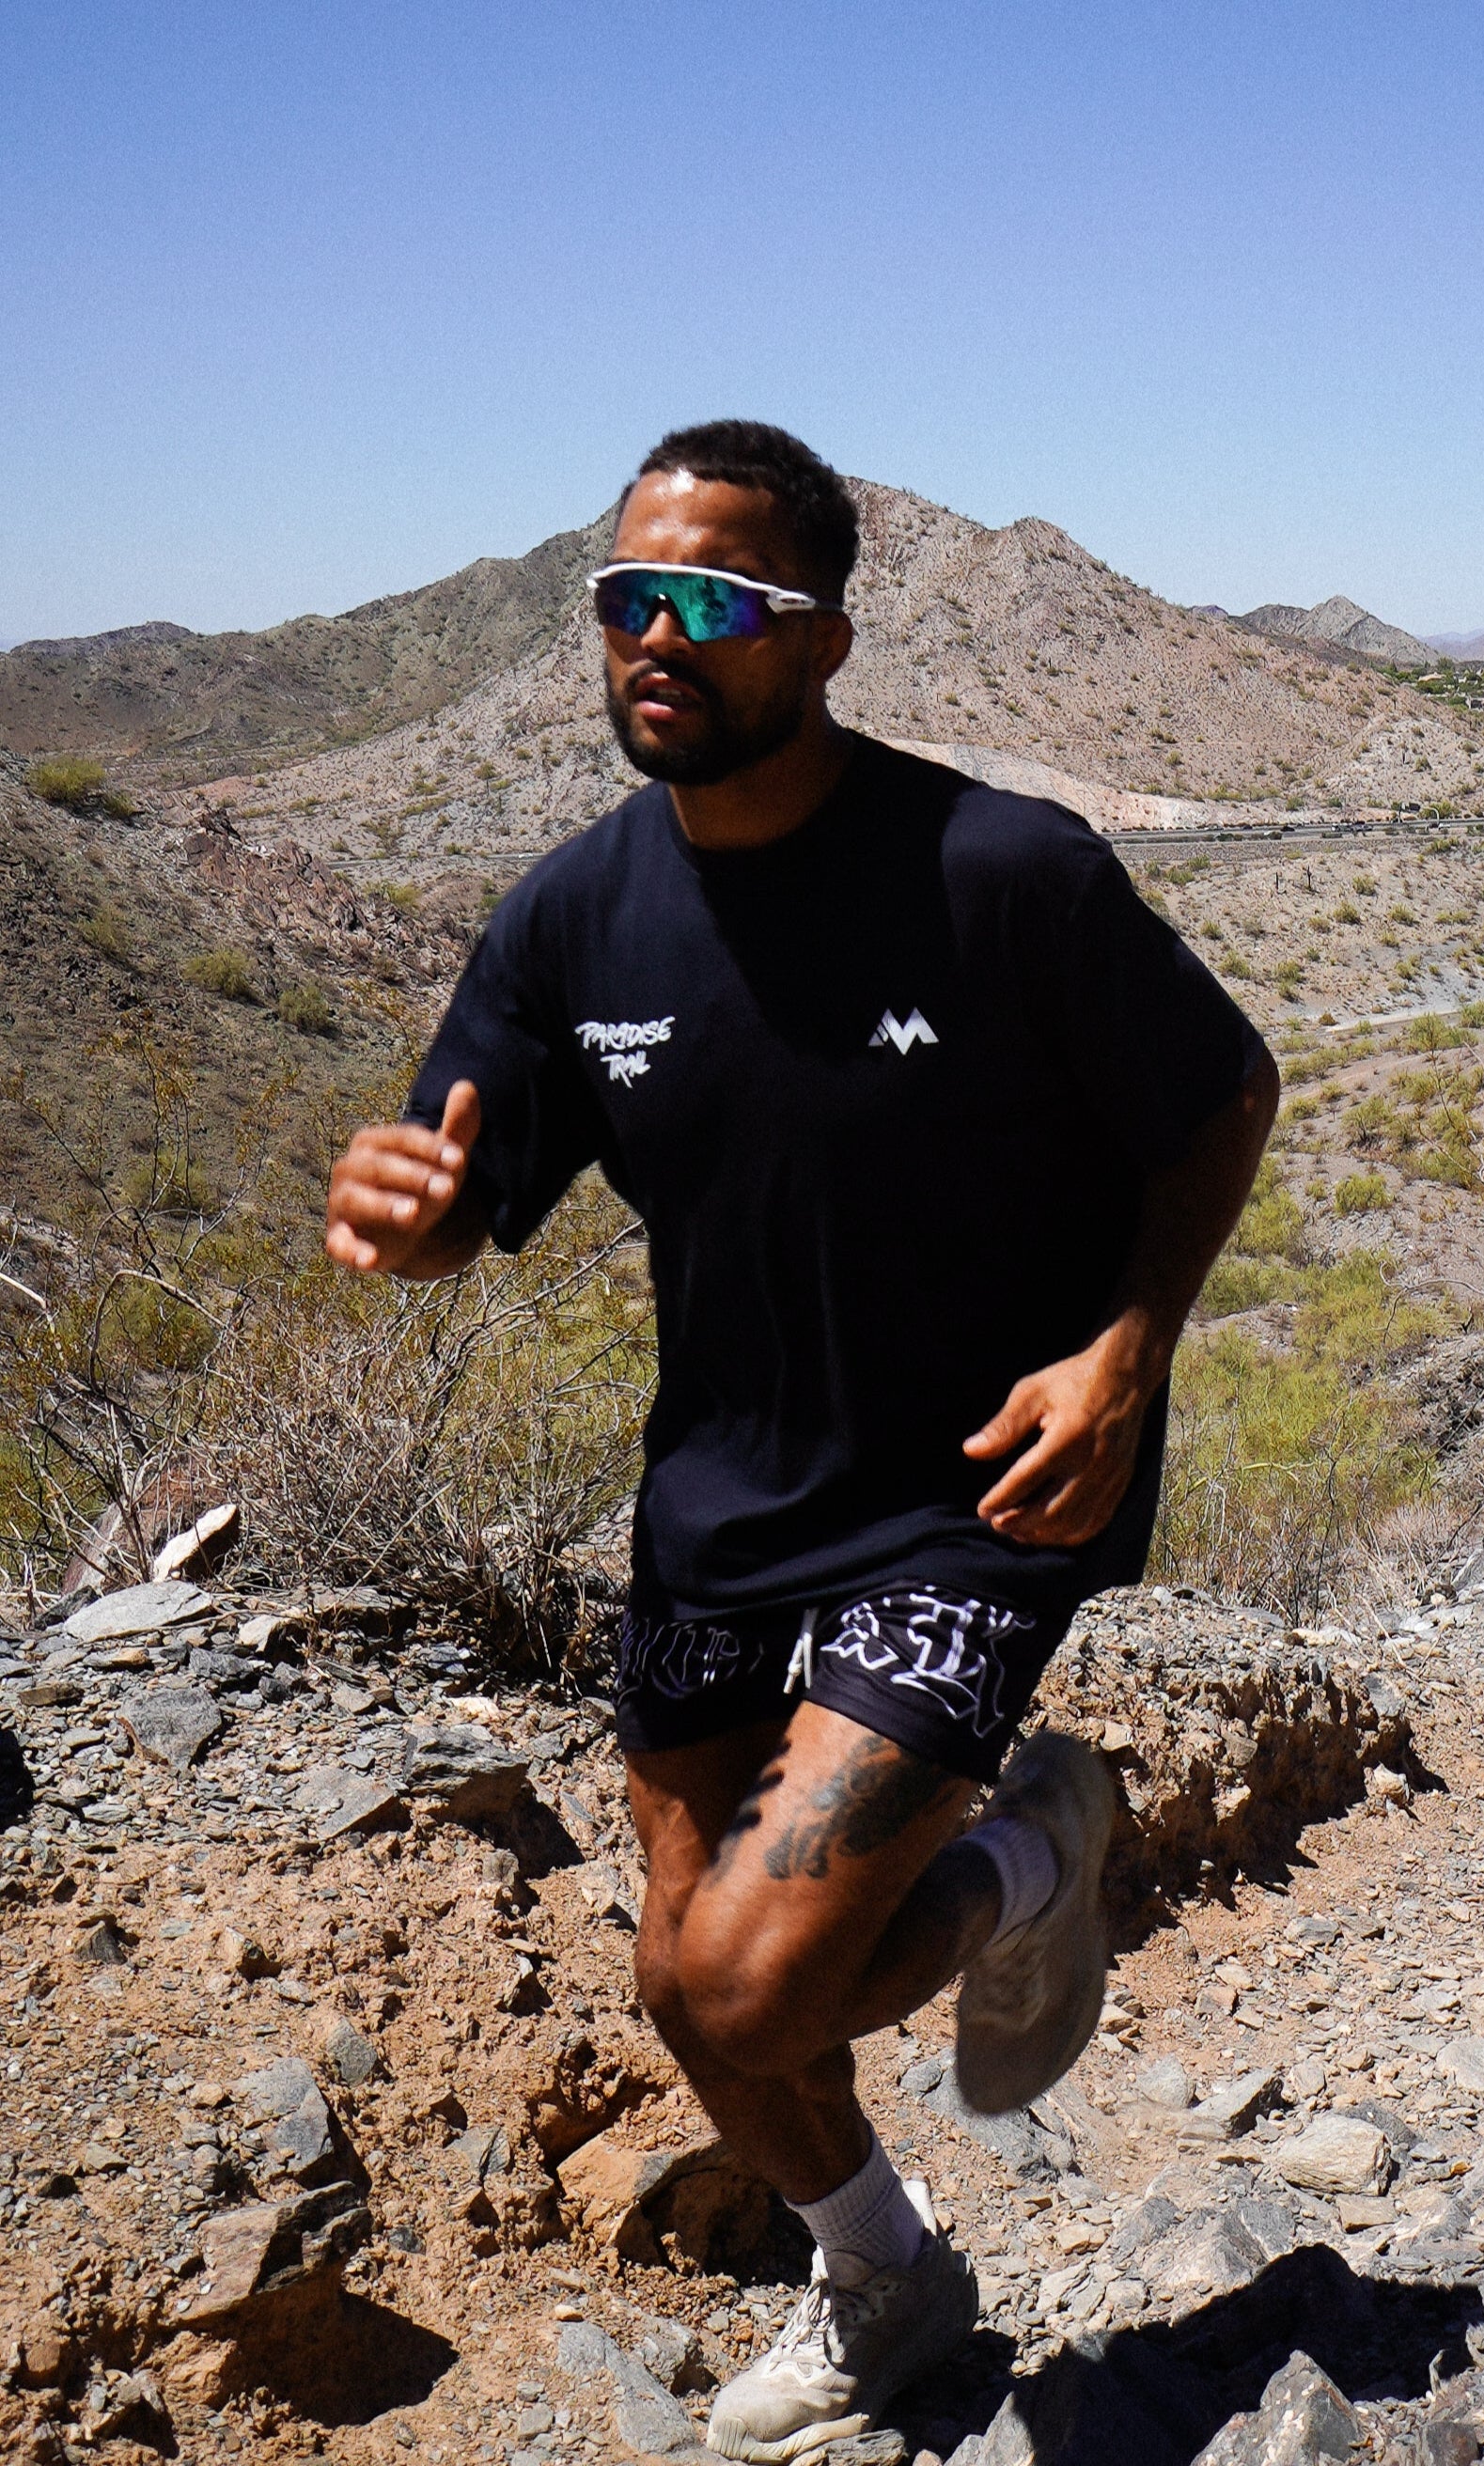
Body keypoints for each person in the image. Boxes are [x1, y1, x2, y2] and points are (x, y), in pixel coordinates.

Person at [325, 419, 1277, 2460]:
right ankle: (888, 2273)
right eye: (620, 600)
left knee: (759, 1986)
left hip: (972, 1495)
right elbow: (454, 1199)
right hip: (717, 1507)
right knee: (686, 1983)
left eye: (710, 605)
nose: (651, 640)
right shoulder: (570, 922)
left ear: (822, 640)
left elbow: (1219, 1095)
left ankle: (1030, 1851)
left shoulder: (1000, 871)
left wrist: (1126, 1346)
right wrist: (400, 1231)